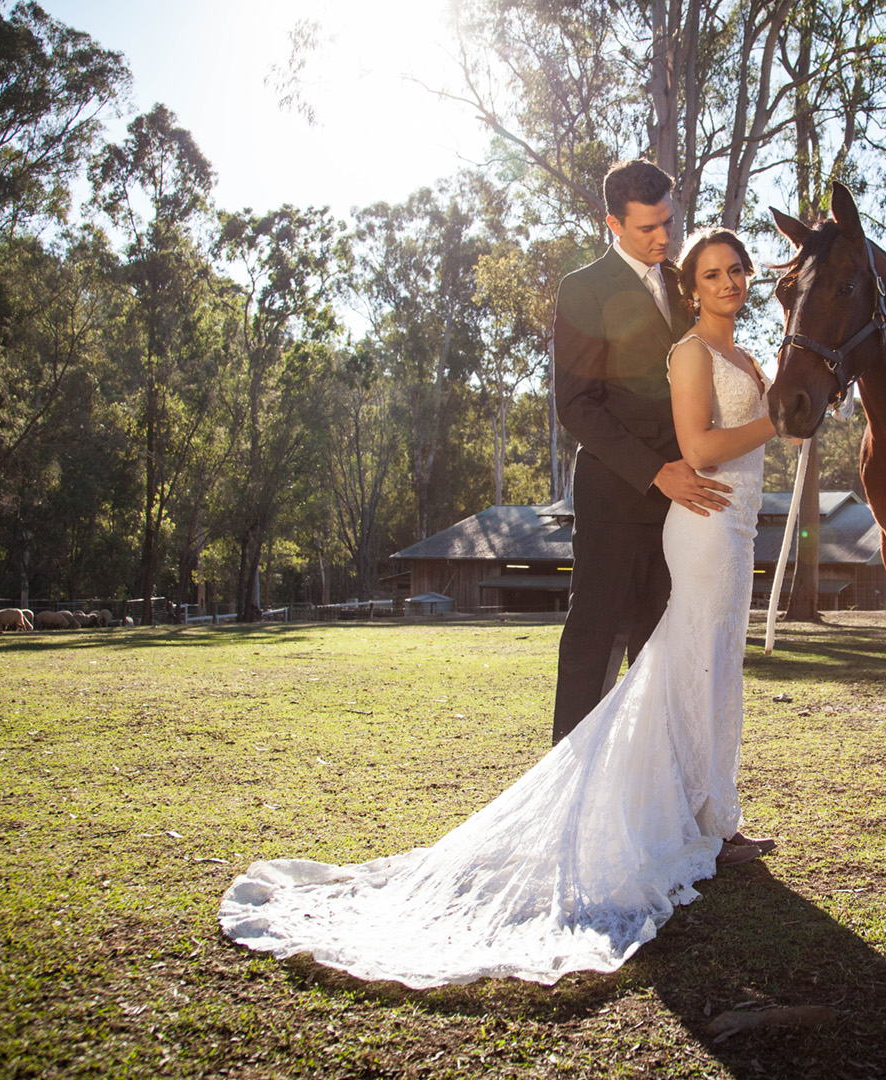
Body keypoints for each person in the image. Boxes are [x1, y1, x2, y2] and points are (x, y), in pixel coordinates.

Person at [216, 226, 779, 990]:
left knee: (700, 667)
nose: (721, 277)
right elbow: (593, 409)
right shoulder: (622, 307)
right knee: (626, 650)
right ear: (620, 225)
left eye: (733, 268)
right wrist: (735, 440)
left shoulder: (732, 346)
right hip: (657, 501)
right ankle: (599, 807)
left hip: (723, 521)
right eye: (705, 268)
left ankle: (701, 814)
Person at [550, 160, 730, 746]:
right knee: (594, 643)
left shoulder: (682, 284)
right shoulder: (583, 289)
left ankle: (662, 808)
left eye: (669, 224)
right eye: (649, 228)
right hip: (615, 499)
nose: (664, 239)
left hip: (685, 511)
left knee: (664, 654)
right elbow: (577, 405)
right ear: (612, 223)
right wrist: (656, 472)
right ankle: (571, 805)